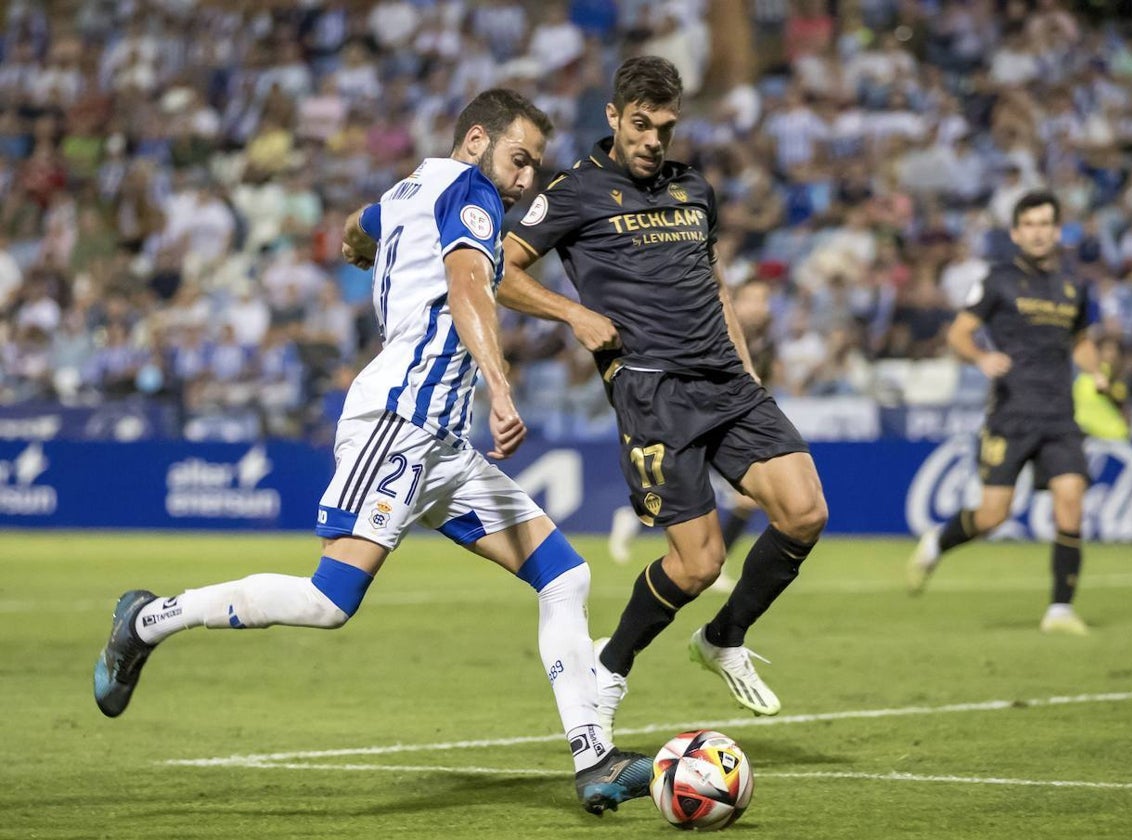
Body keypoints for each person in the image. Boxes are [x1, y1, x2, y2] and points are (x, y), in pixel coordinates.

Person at [93, 88, 651, 815]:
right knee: (330, 601)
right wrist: (501, 385)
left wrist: (360, 244)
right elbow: (468, 287)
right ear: (478, 141)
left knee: (565, 576)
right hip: (401, 418)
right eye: (520, 160)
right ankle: (147, 619)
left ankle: (593, 759)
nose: (525, 181)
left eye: (534, 168)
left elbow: (360, 225)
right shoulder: (471, 193)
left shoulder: (412, 187)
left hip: (441, 443)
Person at [497, 57, 829, 739]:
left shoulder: (694, 190)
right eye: (641, 124)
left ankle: (722, 638)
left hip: (729, 383)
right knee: (700, 563)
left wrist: (749, 373)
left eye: (666, 127)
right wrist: (574, 316)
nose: (653, 139)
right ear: (615, 117)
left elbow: (717, 285)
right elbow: (497, 270)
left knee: (804, 513)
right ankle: (612, 668)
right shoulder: (571, 192)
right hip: (654, 393)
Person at [907, 190, 1106, 636]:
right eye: (1029, 224)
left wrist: (1096, 372)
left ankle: (1059, 610)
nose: (1038, 231)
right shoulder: (996, 280)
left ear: (1057, 231)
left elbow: (1082, 341)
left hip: (1060, 416)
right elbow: (959, 332)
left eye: (1046, 223)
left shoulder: (1075, 287)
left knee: (1071, 500)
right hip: (1012, 414)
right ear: (1016, 233)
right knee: (993, 516)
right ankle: (939, 540)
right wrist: (981, 358)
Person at [606, 278, 780, 598]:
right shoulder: (714, 325)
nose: (761, 306)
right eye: (754, 298)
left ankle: (710, 559)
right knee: (690, 497)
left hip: (729, 418)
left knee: (743, 499)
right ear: (734, 302)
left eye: (765, 299)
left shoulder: (765, 341)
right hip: (693, 415)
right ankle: (634, 518)